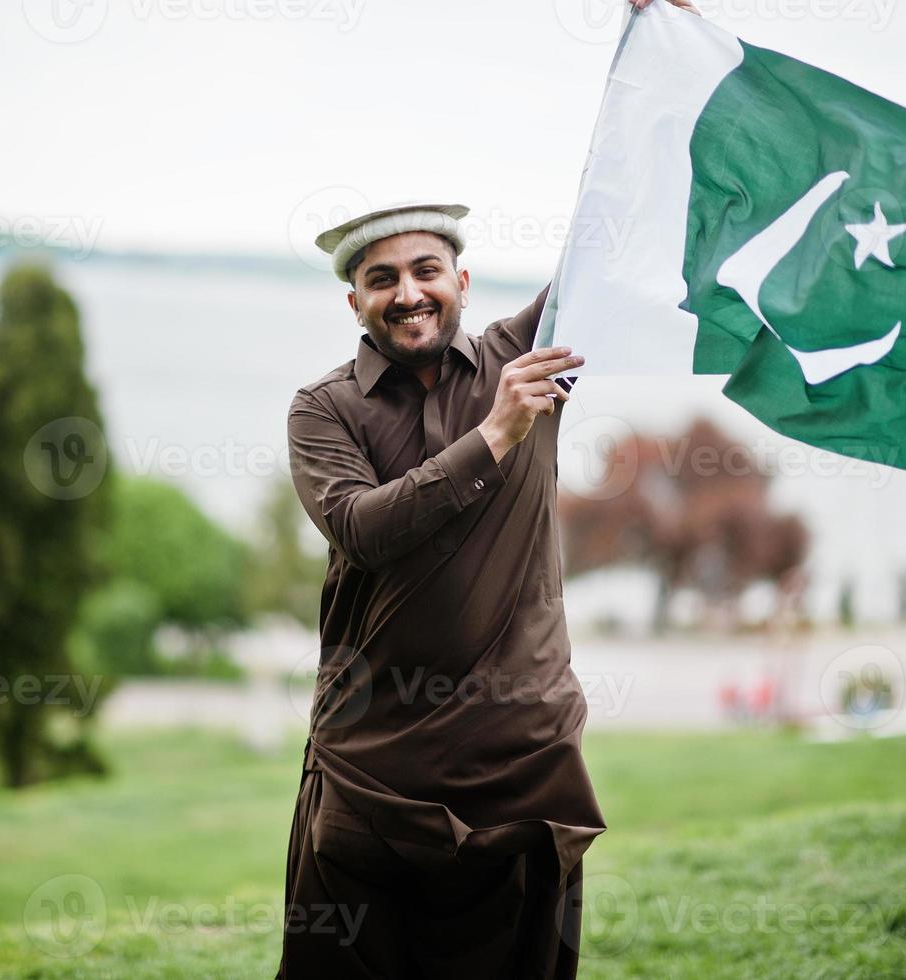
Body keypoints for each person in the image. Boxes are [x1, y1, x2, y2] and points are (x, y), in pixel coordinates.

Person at [275, 9, 699, 978]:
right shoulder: (322, 410)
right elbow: (362, 528)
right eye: (382, 279)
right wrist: (496, 433)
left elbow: (616, 223)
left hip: (522, 775)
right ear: (356, 302)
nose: (408, 291)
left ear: (461, 279)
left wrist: (664, 51)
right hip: (370, 786)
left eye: (427, 269)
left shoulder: (527, 355)